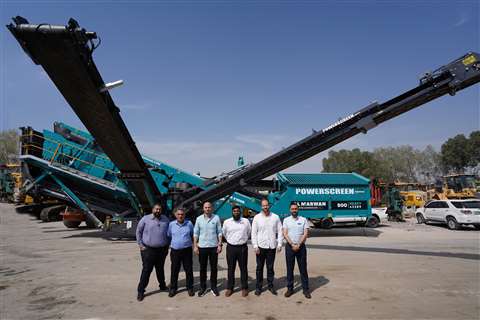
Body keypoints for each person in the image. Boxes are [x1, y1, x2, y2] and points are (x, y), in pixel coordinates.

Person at [135, 203, 170, 302]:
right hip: (148, 250)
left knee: (160, 269)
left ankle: (162, 286)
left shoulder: (165, 219)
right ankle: (141, 291)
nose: (158, 211)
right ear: (152, 209)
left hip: (162, 250)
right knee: (146, 270)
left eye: (159, 209)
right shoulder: (145, 219)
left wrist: (167, 246)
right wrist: (140, 245)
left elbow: (169, 233)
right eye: (156, 209)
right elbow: (138, 232)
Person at [251, 198, 283, 296]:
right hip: (260, 247)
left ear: (269, 205)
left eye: (267, 205)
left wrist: (280, 244)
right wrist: (255, 246)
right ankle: (259, 287)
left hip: (271, 247)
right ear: (261, 206)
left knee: (270, 268)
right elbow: (253, 233)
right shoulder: (257, 218)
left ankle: (270, 286)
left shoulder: (275, 217)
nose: (265, 207)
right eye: (263, 205)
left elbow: (280, 231)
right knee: (259, 268)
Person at [193, 202, 223, 297]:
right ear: (203, 209)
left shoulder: (216, 218)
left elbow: (219, 232)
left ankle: (214, 287)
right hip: (202, 247)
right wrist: (195, 245)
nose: (207, 209)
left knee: (214, 268)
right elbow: (196, 233)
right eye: (205, 207)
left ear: (212, 208)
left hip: (214, 247)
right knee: (203, 268)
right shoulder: (199, 219)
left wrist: (219, 244)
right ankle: (203, 287)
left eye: (209, 207)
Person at [282, 202, 311, 299]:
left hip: (301, 247)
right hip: (290, 247)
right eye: (292, 209)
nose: (294, 210)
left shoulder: (303, 220)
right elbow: (285, 234)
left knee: (303, 269)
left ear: (298, 209)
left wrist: (298, 244)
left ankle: (306, 289)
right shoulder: (286, 220)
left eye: (296, 209)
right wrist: (292, 244)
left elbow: (305, 233)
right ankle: (290, 289)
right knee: (290, 269)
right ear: (290, 210)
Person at [222, 205, 251, 297]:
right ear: (232, 212)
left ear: (240, 212)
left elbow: (249, 232)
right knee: (231, 269)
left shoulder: (245, 221)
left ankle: (244, 288)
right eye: (234, 211)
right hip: (231, 248)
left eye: (238, 211)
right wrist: (231, 241)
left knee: (243, 269)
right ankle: (230, 288)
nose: (236, 212)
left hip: (242, 248)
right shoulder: (227, 222)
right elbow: (224, 234)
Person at [167, 208, 194, 297]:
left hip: (187, 250)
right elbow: (169, 235)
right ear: (176, 215)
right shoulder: (171, 224)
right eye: (178, 214)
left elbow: (192, 234)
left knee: (189, 269)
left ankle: (190, 287)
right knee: (174, 270)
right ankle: (173, 288)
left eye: (182, 214)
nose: (180, 216)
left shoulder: (189, 224)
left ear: (184, 215)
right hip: (175, 251)